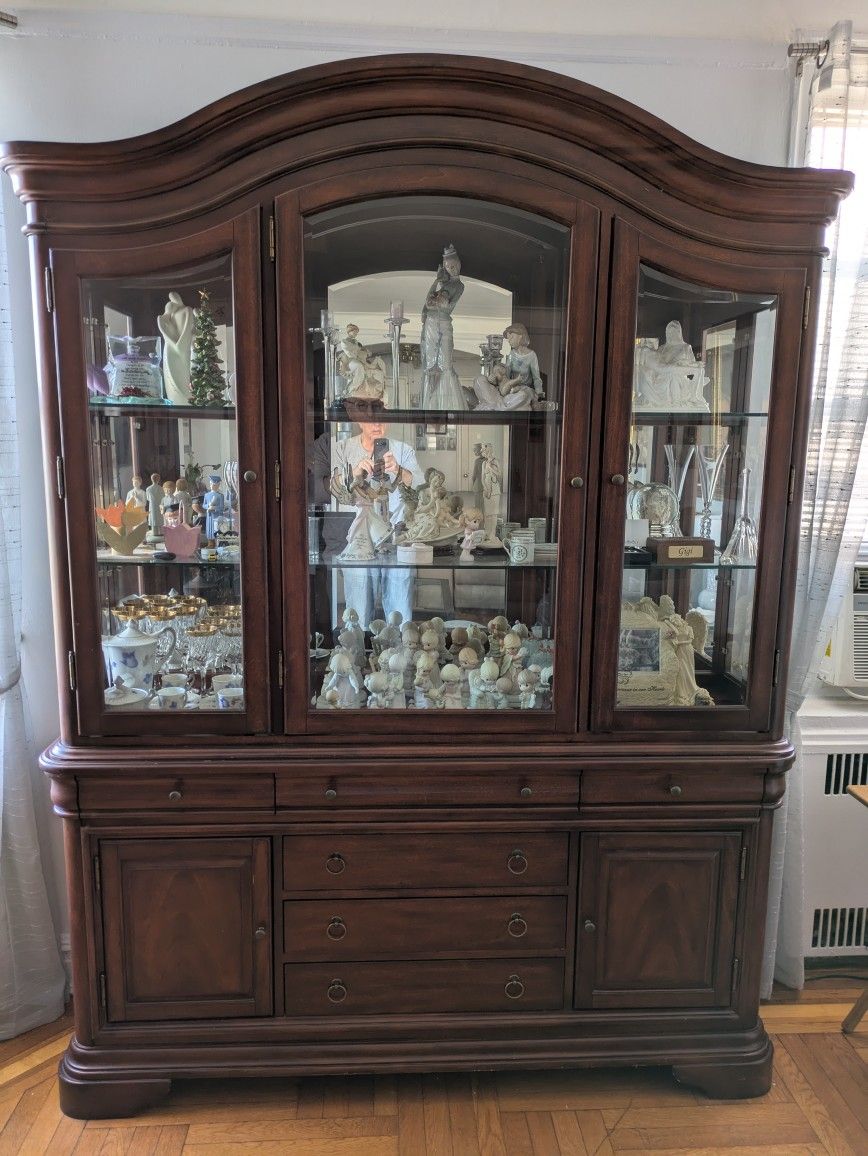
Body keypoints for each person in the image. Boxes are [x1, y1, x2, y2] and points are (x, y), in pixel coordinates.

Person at [315, 398, 424, 627]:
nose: (377, 426)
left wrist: (400, 471)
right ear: (358, 422)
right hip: (357, 538)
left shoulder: (402, 450)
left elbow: (422, 489)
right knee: (358, 606)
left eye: (382, 420)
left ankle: (401, 652)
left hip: (396, 537)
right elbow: (327, 490)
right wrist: (354, 473)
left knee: (399, 607)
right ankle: (357, 649)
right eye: (370, 420)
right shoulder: (342, 449)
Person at [420, 244, 466, 410]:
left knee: (445, 362)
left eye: (453, 266)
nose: (451, 269)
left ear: (458, 265)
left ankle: (446, 403)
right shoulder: (443, 284)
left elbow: (448, 307)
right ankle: (429, 401)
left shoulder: (459, 286)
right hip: (432, 321)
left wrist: (441, 301)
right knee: (430, 361)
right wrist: (436, 281)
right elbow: (428, 301)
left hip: (444, 321)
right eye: (448, 267)